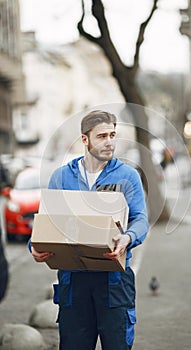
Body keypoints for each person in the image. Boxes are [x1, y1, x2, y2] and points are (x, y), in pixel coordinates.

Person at [30, 110, 149, 350]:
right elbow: (46, 223)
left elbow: (141, 219)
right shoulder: (62, 177)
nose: (109, 142)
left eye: (113, 135)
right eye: (102, 136)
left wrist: (128, 237)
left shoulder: (128, 176)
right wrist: (35, 247)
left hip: (114, 281)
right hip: (73, 282)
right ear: (85, 140)